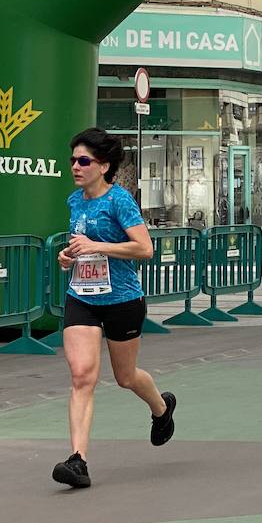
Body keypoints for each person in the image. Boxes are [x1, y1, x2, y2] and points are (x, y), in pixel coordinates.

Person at [53, 128, 176, 490]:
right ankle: (78, 461)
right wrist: (67, 257)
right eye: (73, 160)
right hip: (82, 297)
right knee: (82, 377)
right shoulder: (75, 201)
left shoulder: (120, 201)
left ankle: (161, 408)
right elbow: (81, 248)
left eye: (84, 160)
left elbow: (144, 249)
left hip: (122, 299)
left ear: (103, 165)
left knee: (125, 377)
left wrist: (99, 246)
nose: (75, 166)